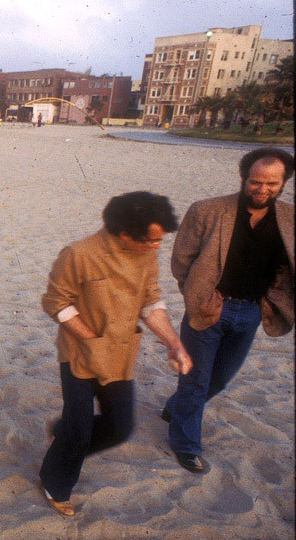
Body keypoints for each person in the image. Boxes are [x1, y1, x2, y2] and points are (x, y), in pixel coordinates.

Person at [40, 192, 193, 517]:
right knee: (79, 429)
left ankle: (66, 437)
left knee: (120, 427)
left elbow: (151, 302)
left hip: (120, 354)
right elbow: (56, 302)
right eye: (152, 240)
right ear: (125, 233)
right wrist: (92, 339)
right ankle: (55, 481)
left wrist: (174, 343)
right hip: (79, 353)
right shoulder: (78, 254)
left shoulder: (147, 257)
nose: (157, 246)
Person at [161, 148, 294, 473]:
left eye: (271, 184)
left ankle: (174, 409)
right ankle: (185, 445)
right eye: (255, 182)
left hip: (252, 312)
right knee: (195, 380)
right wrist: (198, 296)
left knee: (219, 379)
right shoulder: (208, 210)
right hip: (209, 309)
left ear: (284, 183)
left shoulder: (289, 219)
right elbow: (181, 259)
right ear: (244, 178)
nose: (262, 189)